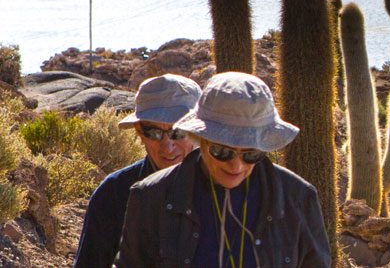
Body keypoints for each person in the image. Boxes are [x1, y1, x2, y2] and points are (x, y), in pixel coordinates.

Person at [115, 71, 330, 268]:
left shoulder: (298, 197)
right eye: (222, 151)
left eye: (250, 154)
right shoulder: (151, 197)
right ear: (200, 138)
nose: (236, 165)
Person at [73, 73, 201, 268]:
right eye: (153, 132)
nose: (167, 146)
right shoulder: (113, 195)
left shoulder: (229, 191)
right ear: (139, 132)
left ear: (198, 130)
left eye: (179, 132)